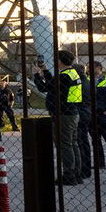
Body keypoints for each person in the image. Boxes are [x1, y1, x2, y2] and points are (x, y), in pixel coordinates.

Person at [33, 50, 84, 184]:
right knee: (72, 143)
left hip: (63, 114)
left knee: (65, 145)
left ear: (60, 61)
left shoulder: (63, 76)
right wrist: (45, 71)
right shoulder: (71, 73)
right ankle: (76, 173)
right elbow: (53, 85)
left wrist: (36, 75)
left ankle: (69, 174)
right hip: (72, 112)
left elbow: (44, 87)